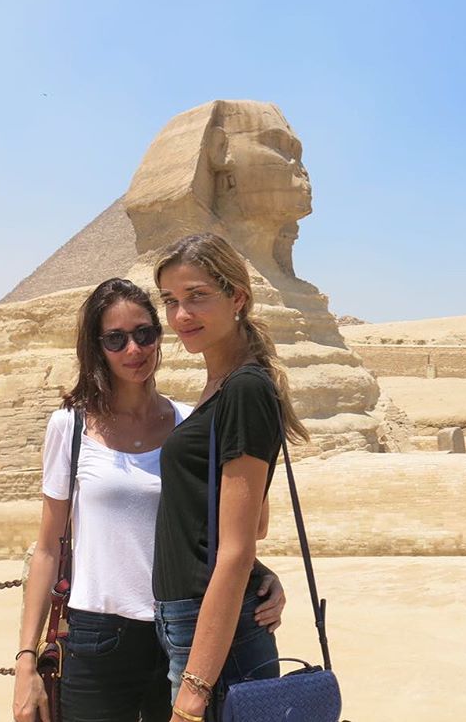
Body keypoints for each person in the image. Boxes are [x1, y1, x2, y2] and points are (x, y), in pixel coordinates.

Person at [13, 278, 286, 722]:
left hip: (184, 632)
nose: (134, 349)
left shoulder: (189, 425)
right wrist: (26, 660)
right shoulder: (70, 426)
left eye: (144, 334)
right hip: (98, 637)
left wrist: (258, 575)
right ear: (96, 347)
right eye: (115, 339)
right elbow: (47, 548)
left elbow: (225, 527)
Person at [152, 233, 310, 722]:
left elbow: (239, 546)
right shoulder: (219, 385)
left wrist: (194, 690)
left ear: (237, 297)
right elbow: (252, 521)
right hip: (197, 618)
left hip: (214, 627)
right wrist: (261, 574)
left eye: (197, 296)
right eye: (170, 301)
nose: (181, 315)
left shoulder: (244, 388)